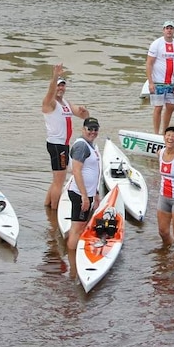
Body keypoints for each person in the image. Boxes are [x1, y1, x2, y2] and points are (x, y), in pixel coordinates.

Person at [42, 63, 89, 208]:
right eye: (58, 85)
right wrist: (54, 76)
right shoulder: (50, 103)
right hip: (57, 145)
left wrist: (84, 111)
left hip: (63, 145)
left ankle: (47, 205)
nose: (60, 88)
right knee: (59, 181)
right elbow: (50, 91)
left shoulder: (65, 103)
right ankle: (54, 211)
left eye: (63, 85)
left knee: (57, 179)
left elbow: (84, 117)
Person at [66, 117, 103, 275]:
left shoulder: (91, 145)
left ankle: (67, 245)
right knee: (78, 228)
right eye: (90, 129)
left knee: (80, 225)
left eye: (95, 129)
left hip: (87, 193)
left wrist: (94, 194)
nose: (92, 132)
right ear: (83, 129)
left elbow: (93, 173)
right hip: (79, 193)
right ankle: (73, 265)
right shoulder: (82, 146)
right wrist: (84, 196)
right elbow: (76, 171)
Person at [146, 20, 174, 134]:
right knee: (158, 107)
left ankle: (164, 131)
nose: (169, 30)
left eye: (171, 28)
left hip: (170, 82)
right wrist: (150, 82)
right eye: (167, 28)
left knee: (171, 106)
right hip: (158, 82)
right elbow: (149, 63)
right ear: (163, 30)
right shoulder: (156, 44)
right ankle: (156, 133)